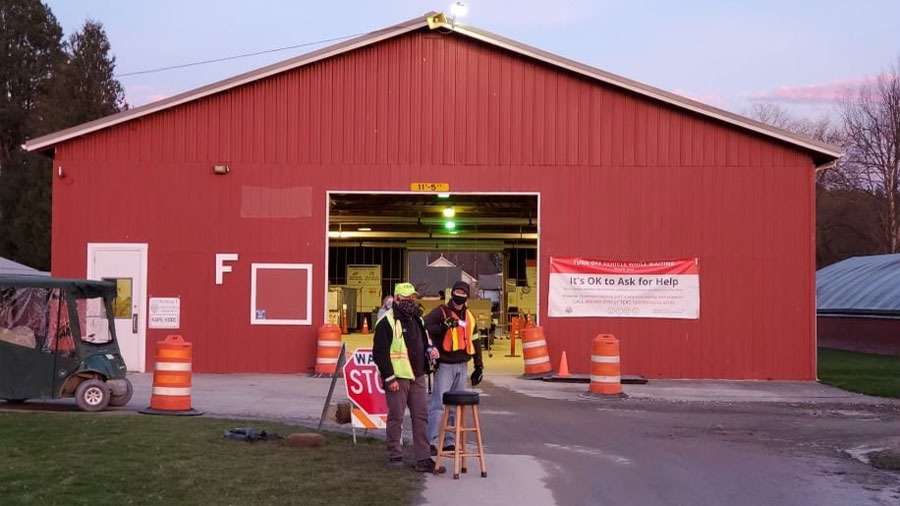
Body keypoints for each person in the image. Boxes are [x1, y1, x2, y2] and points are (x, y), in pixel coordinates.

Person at [372, 282, 445, 473]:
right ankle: (394, 455)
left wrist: (431, 350)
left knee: (421, 417)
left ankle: (423, 458)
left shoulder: (417, 320)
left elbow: (424, 342)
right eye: (406, 299)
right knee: (396, 417)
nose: (410, 302)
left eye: (412, 298)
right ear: (396, 299)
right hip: (397, 377)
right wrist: (389, 378)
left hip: (418, 375)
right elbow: (380, 353)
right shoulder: (386, 322)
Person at [424, 281, 484, 456]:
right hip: (444, 365)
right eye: (457, 292)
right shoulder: (440, 312)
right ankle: (431, 442)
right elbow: (425, 327)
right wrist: (444, 326)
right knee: (438, 405)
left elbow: (475, 341)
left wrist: (479, 366)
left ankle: (449, 441)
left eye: (463, 293)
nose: (460, 295)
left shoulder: (470, 317)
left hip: (462, 365)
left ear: (467, 296)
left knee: (454, 406)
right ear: (452, 293)